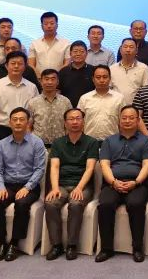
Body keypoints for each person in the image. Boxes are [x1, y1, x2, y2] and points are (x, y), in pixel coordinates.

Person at [95, 106, 148, 263]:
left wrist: (136, 182)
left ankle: (137, 248)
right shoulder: (109, 141)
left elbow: (147, 165)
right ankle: (106, 249)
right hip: (112, 183)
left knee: (136, 204)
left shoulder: (146, 141)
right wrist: (113, 182)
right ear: (119, 120)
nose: (127, 120)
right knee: (105, 204)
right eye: (124, 118)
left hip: (138, 183)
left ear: (138, 120)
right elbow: (105, 165)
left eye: (131, 117)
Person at [0, 107, 46, 262]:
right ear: (10, 122)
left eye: (22, 119)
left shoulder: (37, 143)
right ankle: (1, 243)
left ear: (28, 123)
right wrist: (0, 187)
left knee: (21, 204)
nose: (18, 122)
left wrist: (27, 187)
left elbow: (39, 169)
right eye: (15, 119)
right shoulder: (2, 144)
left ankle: (14, 243)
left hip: (29, 185)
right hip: (7, 184)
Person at [43, 108, 99, 261]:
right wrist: (54, 188)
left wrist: (79, 188)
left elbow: (90, 168)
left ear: (83, 121)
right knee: (50, 203)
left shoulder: (91, 142)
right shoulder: (58, 143)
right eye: (71, 119)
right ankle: (56, 245)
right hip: (61, 184)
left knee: (75, 204)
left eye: (78, 118)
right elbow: (54, 167)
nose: (75, 122)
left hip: (83, 185)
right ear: (65, 123)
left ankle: (72, 245)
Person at [0, 51, 40, 146]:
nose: (16, 66)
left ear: (25, 67)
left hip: (25, 131)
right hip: (2, 130)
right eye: (13, 63)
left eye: (20, 64)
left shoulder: (32, 87)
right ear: (6, 66)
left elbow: (35, 113)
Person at [77, 65, 124, 140]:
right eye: (98, 77)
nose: (102, 80)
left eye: (105, 77)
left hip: (112, 141)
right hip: (89, 141)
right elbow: (79, 122)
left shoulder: (119, 98)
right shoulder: (84, 98)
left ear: (110, 79)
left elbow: (123, 122)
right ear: (93, 79)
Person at [27, 69, 71, 146]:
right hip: (39, 146)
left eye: (53, 79)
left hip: (61, 146)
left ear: (57, 82)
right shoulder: (33, 103)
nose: (49, 82)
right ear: (41, 81)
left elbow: (68, 126)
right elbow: (28, 126)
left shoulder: (65, 102)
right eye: (46, 79)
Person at [109, 38, 148, 105]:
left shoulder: (144, 68)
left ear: (136, 50)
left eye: (131, 47)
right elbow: (109, 89)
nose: (128, 50)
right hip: (115, 106)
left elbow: (146, 91)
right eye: (125, 47)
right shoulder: (112, 68)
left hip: (135, 107)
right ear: (120, 50)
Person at [58, 40, 95, 107]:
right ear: (70, 53)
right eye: (75, 51)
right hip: (67, 108)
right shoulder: (63, 71)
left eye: (81, 51)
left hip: (89, 107)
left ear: (86, 53)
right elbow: (58, 91)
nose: (78, 54)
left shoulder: (93, 70)